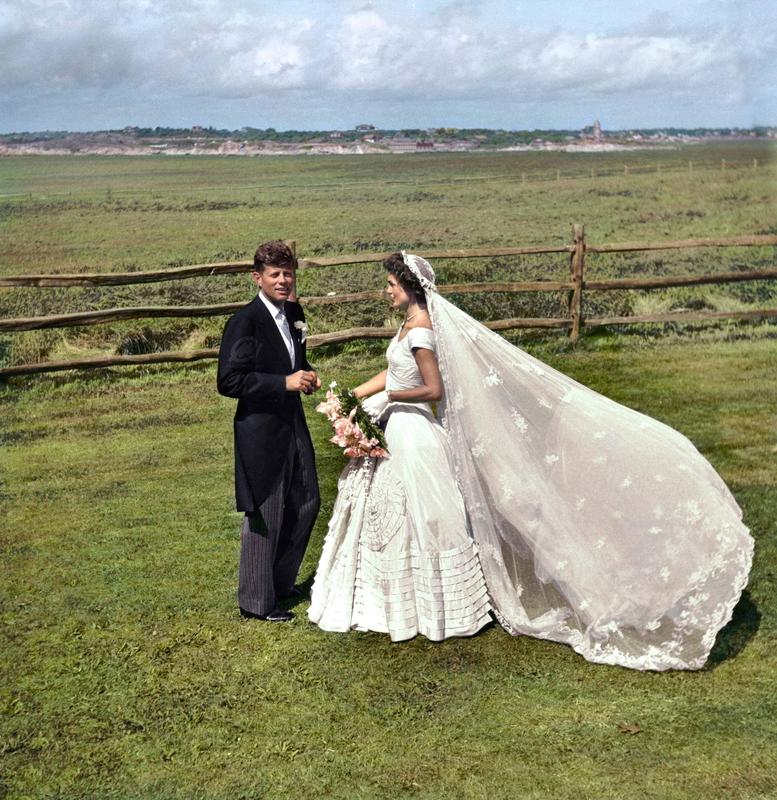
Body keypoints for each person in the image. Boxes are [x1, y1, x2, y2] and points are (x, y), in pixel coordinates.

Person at [308, 252, 754, 671]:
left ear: (410, 288)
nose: (386, 291)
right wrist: (357, 394)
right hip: (399, 424)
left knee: (422, 513)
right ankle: (395, 599)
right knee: (394, 510)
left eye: (391, 285)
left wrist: (390, 397)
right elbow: (396, 369)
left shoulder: (422, 329)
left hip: (415, 429)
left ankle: (435, 606)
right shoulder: (408, 325)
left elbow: (432, 389)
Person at [218, 240, 321, 622]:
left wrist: (305, 375)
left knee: (308, 499)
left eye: (288, 273)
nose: (283, 281)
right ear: (257, 277)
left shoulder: (294, 311)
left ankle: (280, 583)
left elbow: (295, 358)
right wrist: (283, 383)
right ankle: (257, 603)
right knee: (267, 510)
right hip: (260, 430)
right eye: (275, 274)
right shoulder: (245, 322)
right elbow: (229, 381)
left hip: (292, 421)